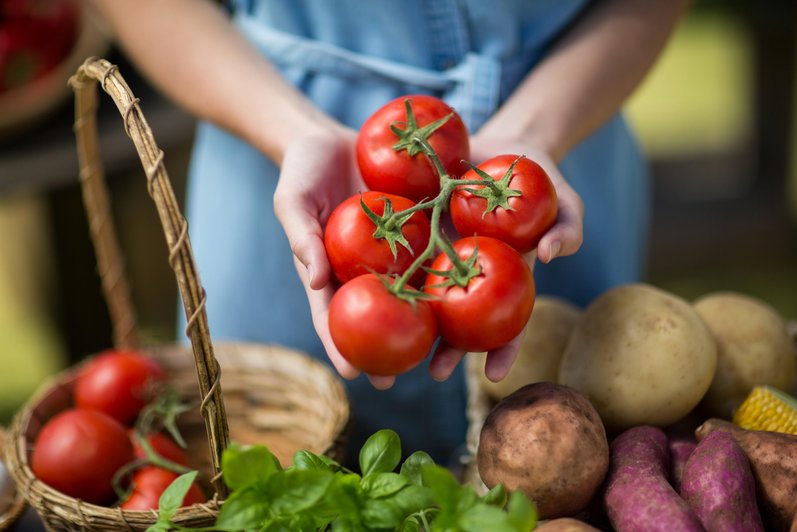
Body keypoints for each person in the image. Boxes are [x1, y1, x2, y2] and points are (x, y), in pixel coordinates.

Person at [92, 0, 689, 466]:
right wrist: (293, 132)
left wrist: (536, 129)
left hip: (566, 117)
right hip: (269, 141)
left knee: (573, 464)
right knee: (270, 466)